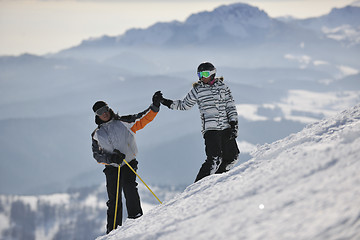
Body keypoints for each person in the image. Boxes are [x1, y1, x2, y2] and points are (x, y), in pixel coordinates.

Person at [91, 91, 162, 234]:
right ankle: (112, 231)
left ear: (109, 109)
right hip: (112, 168)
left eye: (105, 109)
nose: (104, 113)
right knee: (114, 199)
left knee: (129, 187)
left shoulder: (124, 122)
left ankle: (136, 218)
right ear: (97, 115)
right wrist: (110, 159)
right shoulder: (96, 134)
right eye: (100, 112)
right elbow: (97, 155)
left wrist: (154, 106)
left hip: (128, 162)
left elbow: (142, 118)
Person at [161, 62, 240, 182]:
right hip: (211, 129)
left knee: (233, 157)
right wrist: (166, 102)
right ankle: (198, 186)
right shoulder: (198, 90)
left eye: (205, 73)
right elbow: (184, 105)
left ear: (213, 73)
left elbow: (230, 107)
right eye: (200, 74)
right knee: (214, 159)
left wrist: (234, 125)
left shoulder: (223, 87)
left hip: (226, 127)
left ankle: (218, 179)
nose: (202, 77)